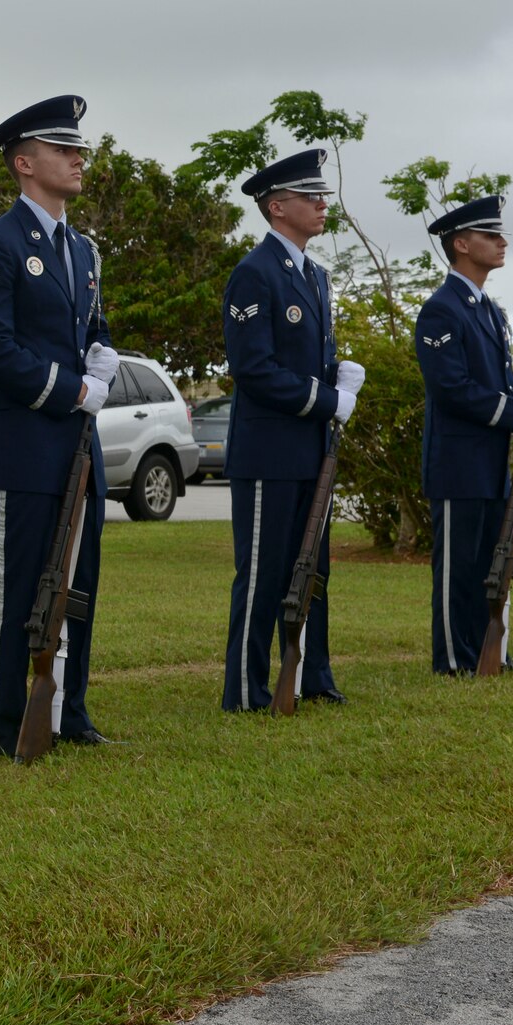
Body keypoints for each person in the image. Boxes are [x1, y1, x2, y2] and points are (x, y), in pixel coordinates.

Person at [0, 96, 116, 757]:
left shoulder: (82, 249)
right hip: (25, 444)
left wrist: (105, 354)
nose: (78, 159)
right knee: (19, 587)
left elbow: (91, 330)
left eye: (78, 149)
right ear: (24, 163)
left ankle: (68, 713)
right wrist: (74, 386)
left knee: (77, 583)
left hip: (80, 446)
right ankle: (6, 724)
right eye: (62, 150)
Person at [218, 149, 361, 711]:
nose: (323, 205)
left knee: (313, 567)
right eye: (310, 197)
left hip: (309, 449)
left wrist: (336, 379)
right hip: (268, 451)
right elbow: (253, 369)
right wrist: (328, 399)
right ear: (277, 207)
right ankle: (247, 689)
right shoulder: (254, 273)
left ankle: (309, 675)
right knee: (263, 573)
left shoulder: (316, 275)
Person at [413, 196, 513, 675]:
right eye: (492, 236)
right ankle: (454, 657)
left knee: (489, 560)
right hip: (457, 461)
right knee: (457, 569)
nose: (503, 243)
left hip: (488, 458)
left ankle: (489, 651)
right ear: (462, 244)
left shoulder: (488, 309)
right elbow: (451, 389)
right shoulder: (441, 310)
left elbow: (486, 383)